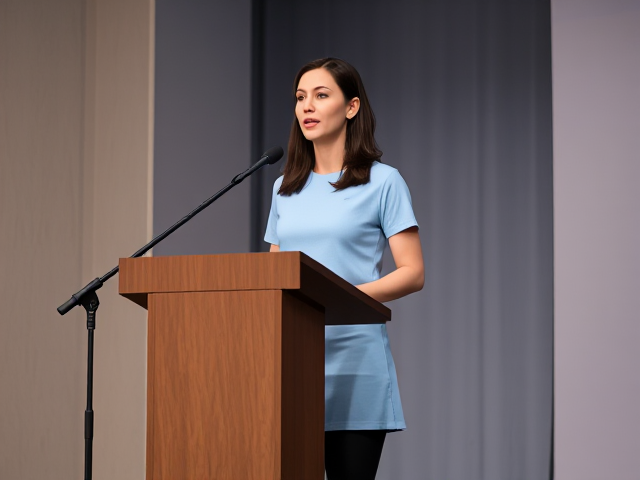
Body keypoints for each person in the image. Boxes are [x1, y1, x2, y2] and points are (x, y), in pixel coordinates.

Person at [264, 57, 424, 480]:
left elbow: (412, 271)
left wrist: (339, 300)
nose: (307, 107)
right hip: (292, 361)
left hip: (355, 363)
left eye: (321, 95)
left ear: (351, 107)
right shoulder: (284, 187)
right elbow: (273, 276)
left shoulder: (383, 181)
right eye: (300, 98)